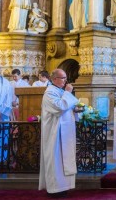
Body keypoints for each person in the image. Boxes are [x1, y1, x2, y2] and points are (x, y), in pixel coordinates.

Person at [39, 69, 80, 197]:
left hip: (65, 132)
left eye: (65, 78)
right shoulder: (49, 93)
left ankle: (64, 186)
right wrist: (68, 93)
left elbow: (68, 106)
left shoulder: (59, 91)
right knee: (55, 160)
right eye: (62, 78)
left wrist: (76, 110)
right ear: (54, 79)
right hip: (54, 133)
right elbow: (60, 107)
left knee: (64, 160)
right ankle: (55, 189)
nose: (65, 81)